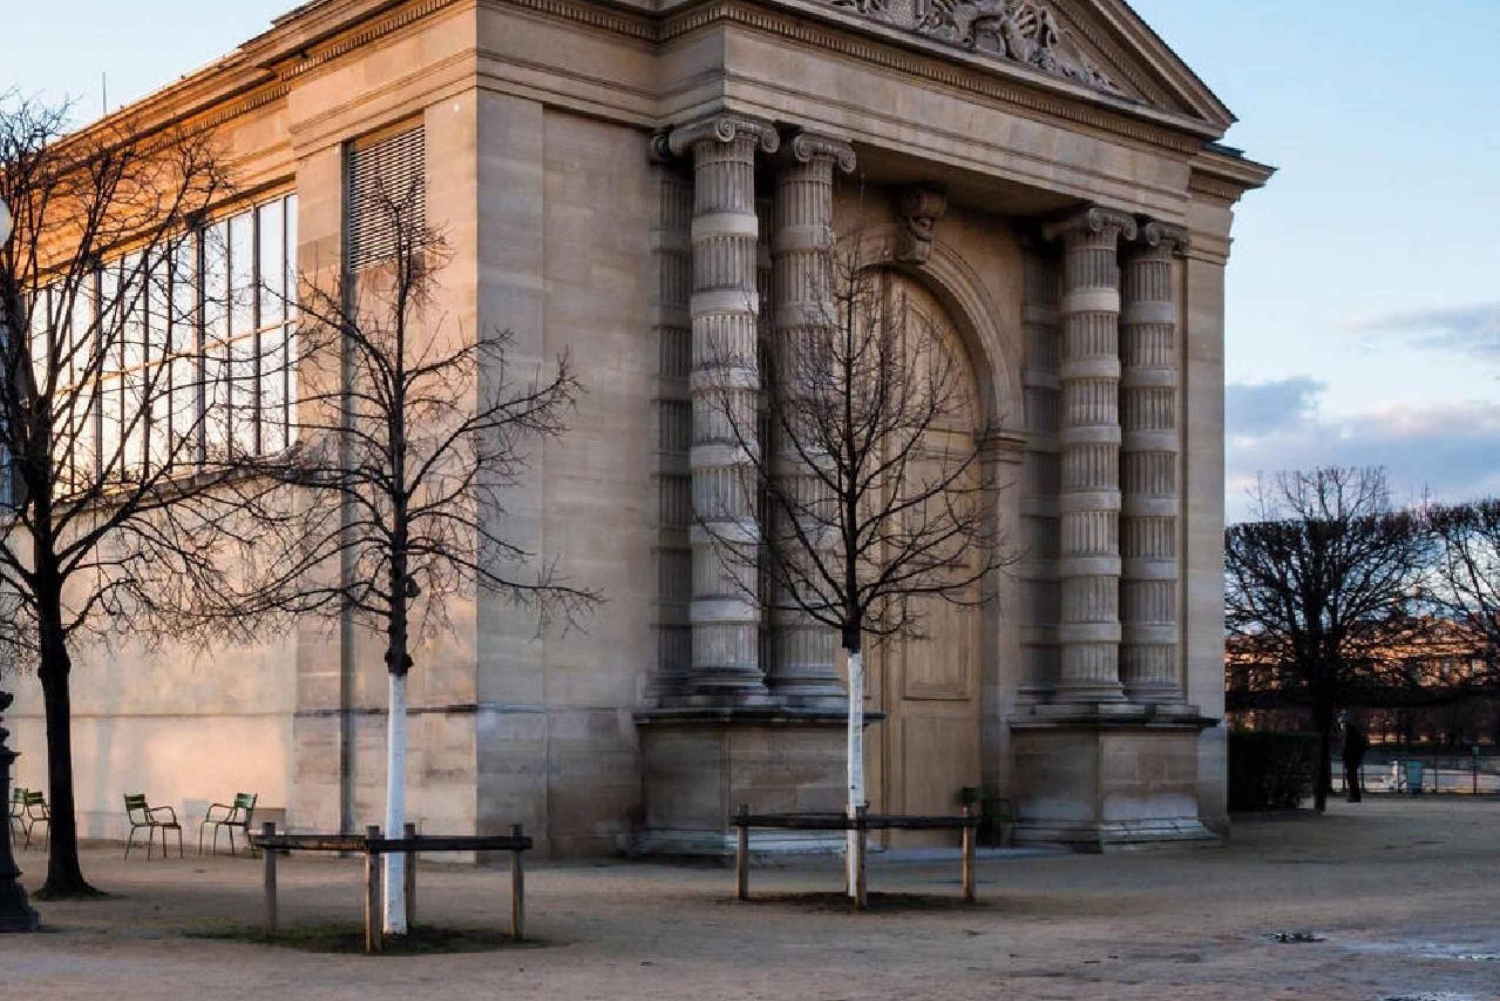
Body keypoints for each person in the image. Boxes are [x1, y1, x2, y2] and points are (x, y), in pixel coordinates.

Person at [1343, 715, 1369, 803]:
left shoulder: (1351, 736)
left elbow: (1348, 748)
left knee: (1351, 778)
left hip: (1351, 759)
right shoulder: (1356, 735)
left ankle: (1354, 795)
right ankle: (1355, 795)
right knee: (1352, 777)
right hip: (1355, 758)